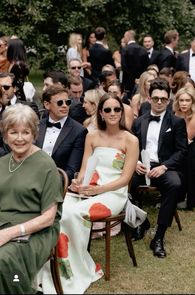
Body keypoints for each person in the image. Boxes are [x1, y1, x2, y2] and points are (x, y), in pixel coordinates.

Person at [40, 92, 139, 294]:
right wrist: (78, 182)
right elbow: (84, 169)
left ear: (122, 112)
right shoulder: (91, 135)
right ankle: (59, 266)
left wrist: (99, 189)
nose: (113, 113)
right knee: (59, 210)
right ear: (101, 113)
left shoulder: (131, 140)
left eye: (117, 109)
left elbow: (125, 179)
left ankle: (78, 268)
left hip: (113, 194)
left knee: (74, 214)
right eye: (108, 109)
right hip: (88, 189)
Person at [0, 103, 63, 294]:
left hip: (36, 231)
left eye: (25, 132)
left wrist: (10, 233)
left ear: (34, 134)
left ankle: (17, 287)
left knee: (3, 259)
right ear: (5, 134)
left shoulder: (46, 165)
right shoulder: (2, 162)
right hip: (3, 224)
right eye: (13, 132)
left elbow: (48, 218)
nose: (19, 138)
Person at [130, 78, 188, 258]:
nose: (160, 102)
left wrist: (164, 167)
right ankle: (141, 221)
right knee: (123, 183)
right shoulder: (139, 121)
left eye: (163, 98)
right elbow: (132, 147)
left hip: (164, 166)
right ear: (149, 98)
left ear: (169, 100)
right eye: (156, 98)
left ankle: (159, 237)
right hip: (141, 167)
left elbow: (182, 151)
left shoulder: (177, 122)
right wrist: (136, 163)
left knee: (174, 184)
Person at [35, 84, 88, 183]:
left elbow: (71, 170)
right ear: (47, 105)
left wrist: (48, 182)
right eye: (60, 103)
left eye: (67, 102)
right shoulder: (36, 126)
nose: (65, 105)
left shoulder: (79, 131)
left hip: (58, 183)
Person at [121, 30, 150, 99]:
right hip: (141, 80)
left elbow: (124, 67)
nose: (124, 38)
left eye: (124, 36)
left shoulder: (125, 49)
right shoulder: (143, 50)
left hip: (128, 82)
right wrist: (139, 77)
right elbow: (147, 66)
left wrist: (132, 78)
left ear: (128, 37)